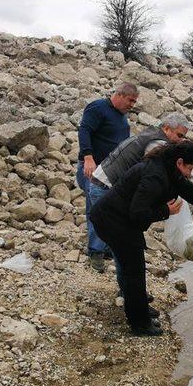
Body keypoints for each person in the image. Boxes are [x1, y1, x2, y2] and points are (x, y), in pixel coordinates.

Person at [90, 141, 193, 336]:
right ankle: (139, 324)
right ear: (179, 162)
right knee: (133, 271)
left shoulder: (169, 169)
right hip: (112, 221)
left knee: (135, 268)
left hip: (121, 220)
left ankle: (140, 309)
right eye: (189, 168)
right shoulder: (155, 175)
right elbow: (138, 212)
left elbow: (188, 190)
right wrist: (166, 211)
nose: (189, 173)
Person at [76, 82, 138, 272]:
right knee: (96, 209)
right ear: (119, 95)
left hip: (112, 172)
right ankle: (95, 252)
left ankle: (107, 246)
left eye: (134, 102)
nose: (132, 105)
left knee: (111, 208)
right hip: (93, 169)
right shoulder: (98, 107)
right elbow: (84, 129)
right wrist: (87, 157)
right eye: (130, 100)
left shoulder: (122, 116)